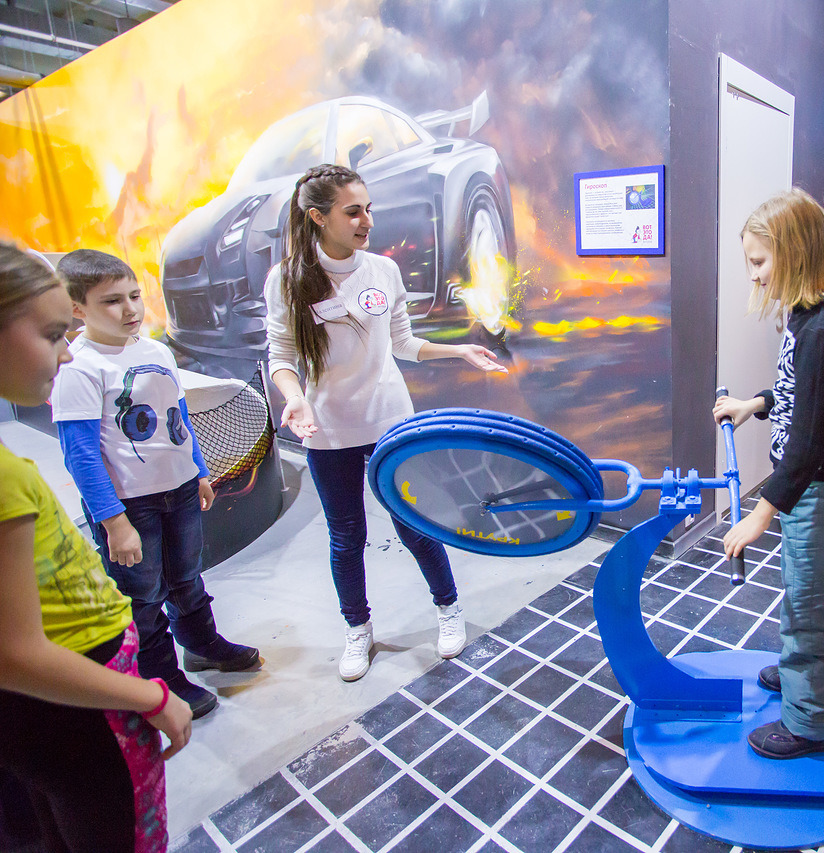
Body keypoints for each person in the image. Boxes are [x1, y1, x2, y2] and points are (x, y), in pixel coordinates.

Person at [266, 164, 507, 682]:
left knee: (415, 524)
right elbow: (281, 356)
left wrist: (459, 350)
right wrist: (296, 399)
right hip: (328, 431)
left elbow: (401, 343)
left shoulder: (383, 270)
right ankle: (358, 628)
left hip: (391, 424)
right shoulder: (287, 279)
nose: (367, 221)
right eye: (353, 212)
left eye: (369, 209)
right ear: (318, 217)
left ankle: (448, 607)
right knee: (345, 536)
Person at [0, 241, 193, 852]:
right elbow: (14, 653)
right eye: (52, 334)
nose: (65, 352)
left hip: (76, 691)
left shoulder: (152, 352)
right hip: (82, 699)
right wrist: (149, 694)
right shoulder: (8, 476)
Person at [50, 250, 259, 720]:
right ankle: (160, 677)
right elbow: (81, 455)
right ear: (77, 308)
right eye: (111, 301)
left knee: (186, 576)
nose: (130, 309)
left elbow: (177, 417)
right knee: (142, 596)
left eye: (134, 296)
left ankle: (202, 645)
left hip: (180, 489)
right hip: (130, 505)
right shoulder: (79, 367)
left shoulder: (156, 350)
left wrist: (199, 470)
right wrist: (114, 522)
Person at [714, 189, 824, 760]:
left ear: (795, 253)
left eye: (760, 261)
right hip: (814, 483)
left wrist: (759, 516)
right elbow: (804, 394)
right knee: (803, 587)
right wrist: (755, 403)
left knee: (814, 606)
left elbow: (808, 444)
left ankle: (812, 724)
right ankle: (797, 673)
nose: (754, 275)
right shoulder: (810, 315)